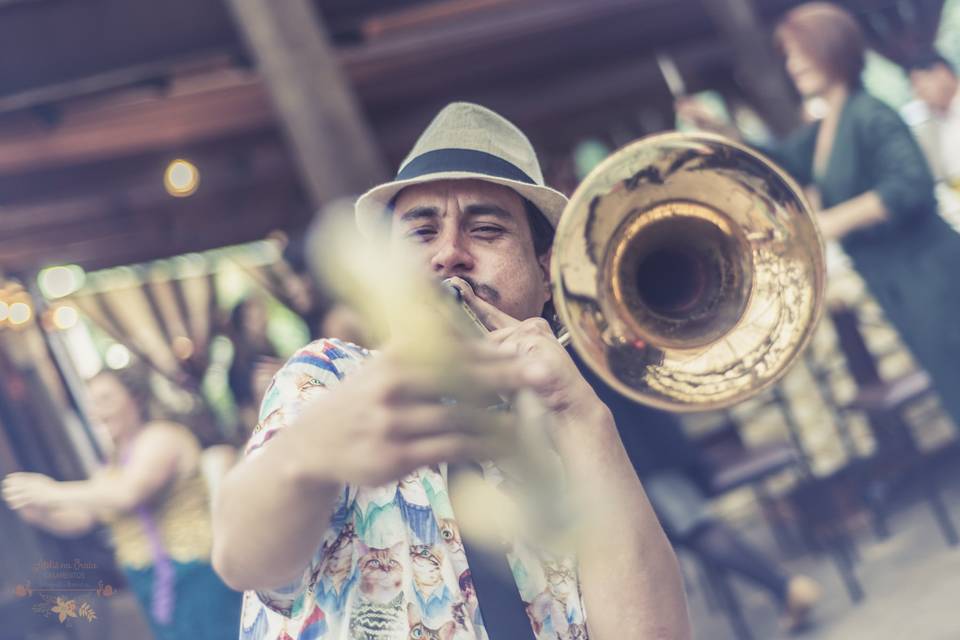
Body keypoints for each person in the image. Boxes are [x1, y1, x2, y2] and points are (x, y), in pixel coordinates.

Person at [212, 102, 691, 640]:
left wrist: (583, 417)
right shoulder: (330, 376)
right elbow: (240, 560)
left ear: (544, 272)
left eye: (486, 229)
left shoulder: (571, 421)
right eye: (421, 234)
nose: (450, 254)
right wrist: (310, 451)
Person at [679, 2, 960, 431]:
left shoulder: (870, 113)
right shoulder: (830, 126)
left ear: (828, 49)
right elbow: (780, 162)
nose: (791, 65)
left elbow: (910, 186)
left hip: (932, 276)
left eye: (796, 52)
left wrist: (828, 224)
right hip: (901, 283)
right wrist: (719, 128)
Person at [577, 358, 821, 632]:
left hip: (638, 452)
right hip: (647, 441)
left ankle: (785, 588)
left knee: (695, 528)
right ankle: (785, 589)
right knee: (688, 530)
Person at [1, 367, 242, 640]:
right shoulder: (110, 465)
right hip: (146, 581)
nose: (97, 412)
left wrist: (51, 491)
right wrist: (32, 510)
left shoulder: (161, 437)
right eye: (92, 403)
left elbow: (129, 493)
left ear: (135, 397)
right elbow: (79, 519)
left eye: (105, 400)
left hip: (196, 573)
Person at [905, 50, 960, 184]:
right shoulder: (931, 123)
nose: (919, 94)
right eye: (915, 87)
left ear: (942, 73)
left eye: (920, 83)